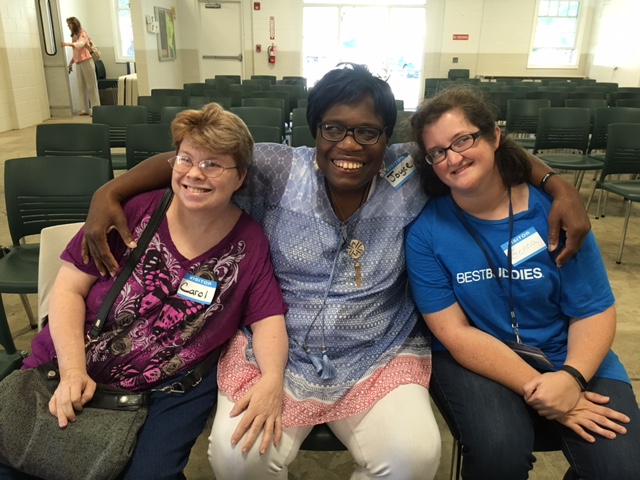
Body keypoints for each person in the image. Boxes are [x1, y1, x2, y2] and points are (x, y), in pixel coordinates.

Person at [81, 64, 590, 480]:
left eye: (367, 132)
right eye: (334, 129)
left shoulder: (407, 172)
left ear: (387, 138)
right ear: (315, 130)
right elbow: (196, 159)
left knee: (414, 458)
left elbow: (480, 148)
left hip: (379, 349)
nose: (349, 145)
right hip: (280, 347)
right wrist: (112, 191)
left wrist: (557, 185)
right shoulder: (279, 170)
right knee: (238, 459)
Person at [0, 103, 288, 480]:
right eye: (186, 159)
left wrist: (271, 379)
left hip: (170, 386)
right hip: (77, 359)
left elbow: (267, 318)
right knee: (20, 456)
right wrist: (72, 371)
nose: (194, 174)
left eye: (213, 164)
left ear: (240, 178)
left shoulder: (249, 242)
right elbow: (68, 288)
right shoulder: (135, 212)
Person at [405, 85, 640, 479]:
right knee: (500, 453)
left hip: (569, 351)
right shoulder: (426, 232)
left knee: (622, 467)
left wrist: (572, 377)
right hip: (482, 357)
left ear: (495, 136)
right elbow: (456, 334)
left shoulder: (555, 212)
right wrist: (542, 386)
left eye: (463, 139)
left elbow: (593, 309)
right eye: (438, 152)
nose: (454, 157)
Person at [61, 17, 100, 116]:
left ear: (75, 24)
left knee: (91, 85)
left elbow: (80, 44)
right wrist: (71, 63)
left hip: (87, 60)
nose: (68, 26)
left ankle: (96, 108)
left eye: (70, 24)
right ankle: (84, 109)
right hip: (79, 62)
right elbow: (76, 52)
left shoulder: (82, 33)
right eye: (68, 24)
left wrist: (67, 44)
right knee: (81, 86)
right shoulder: (74, 35)